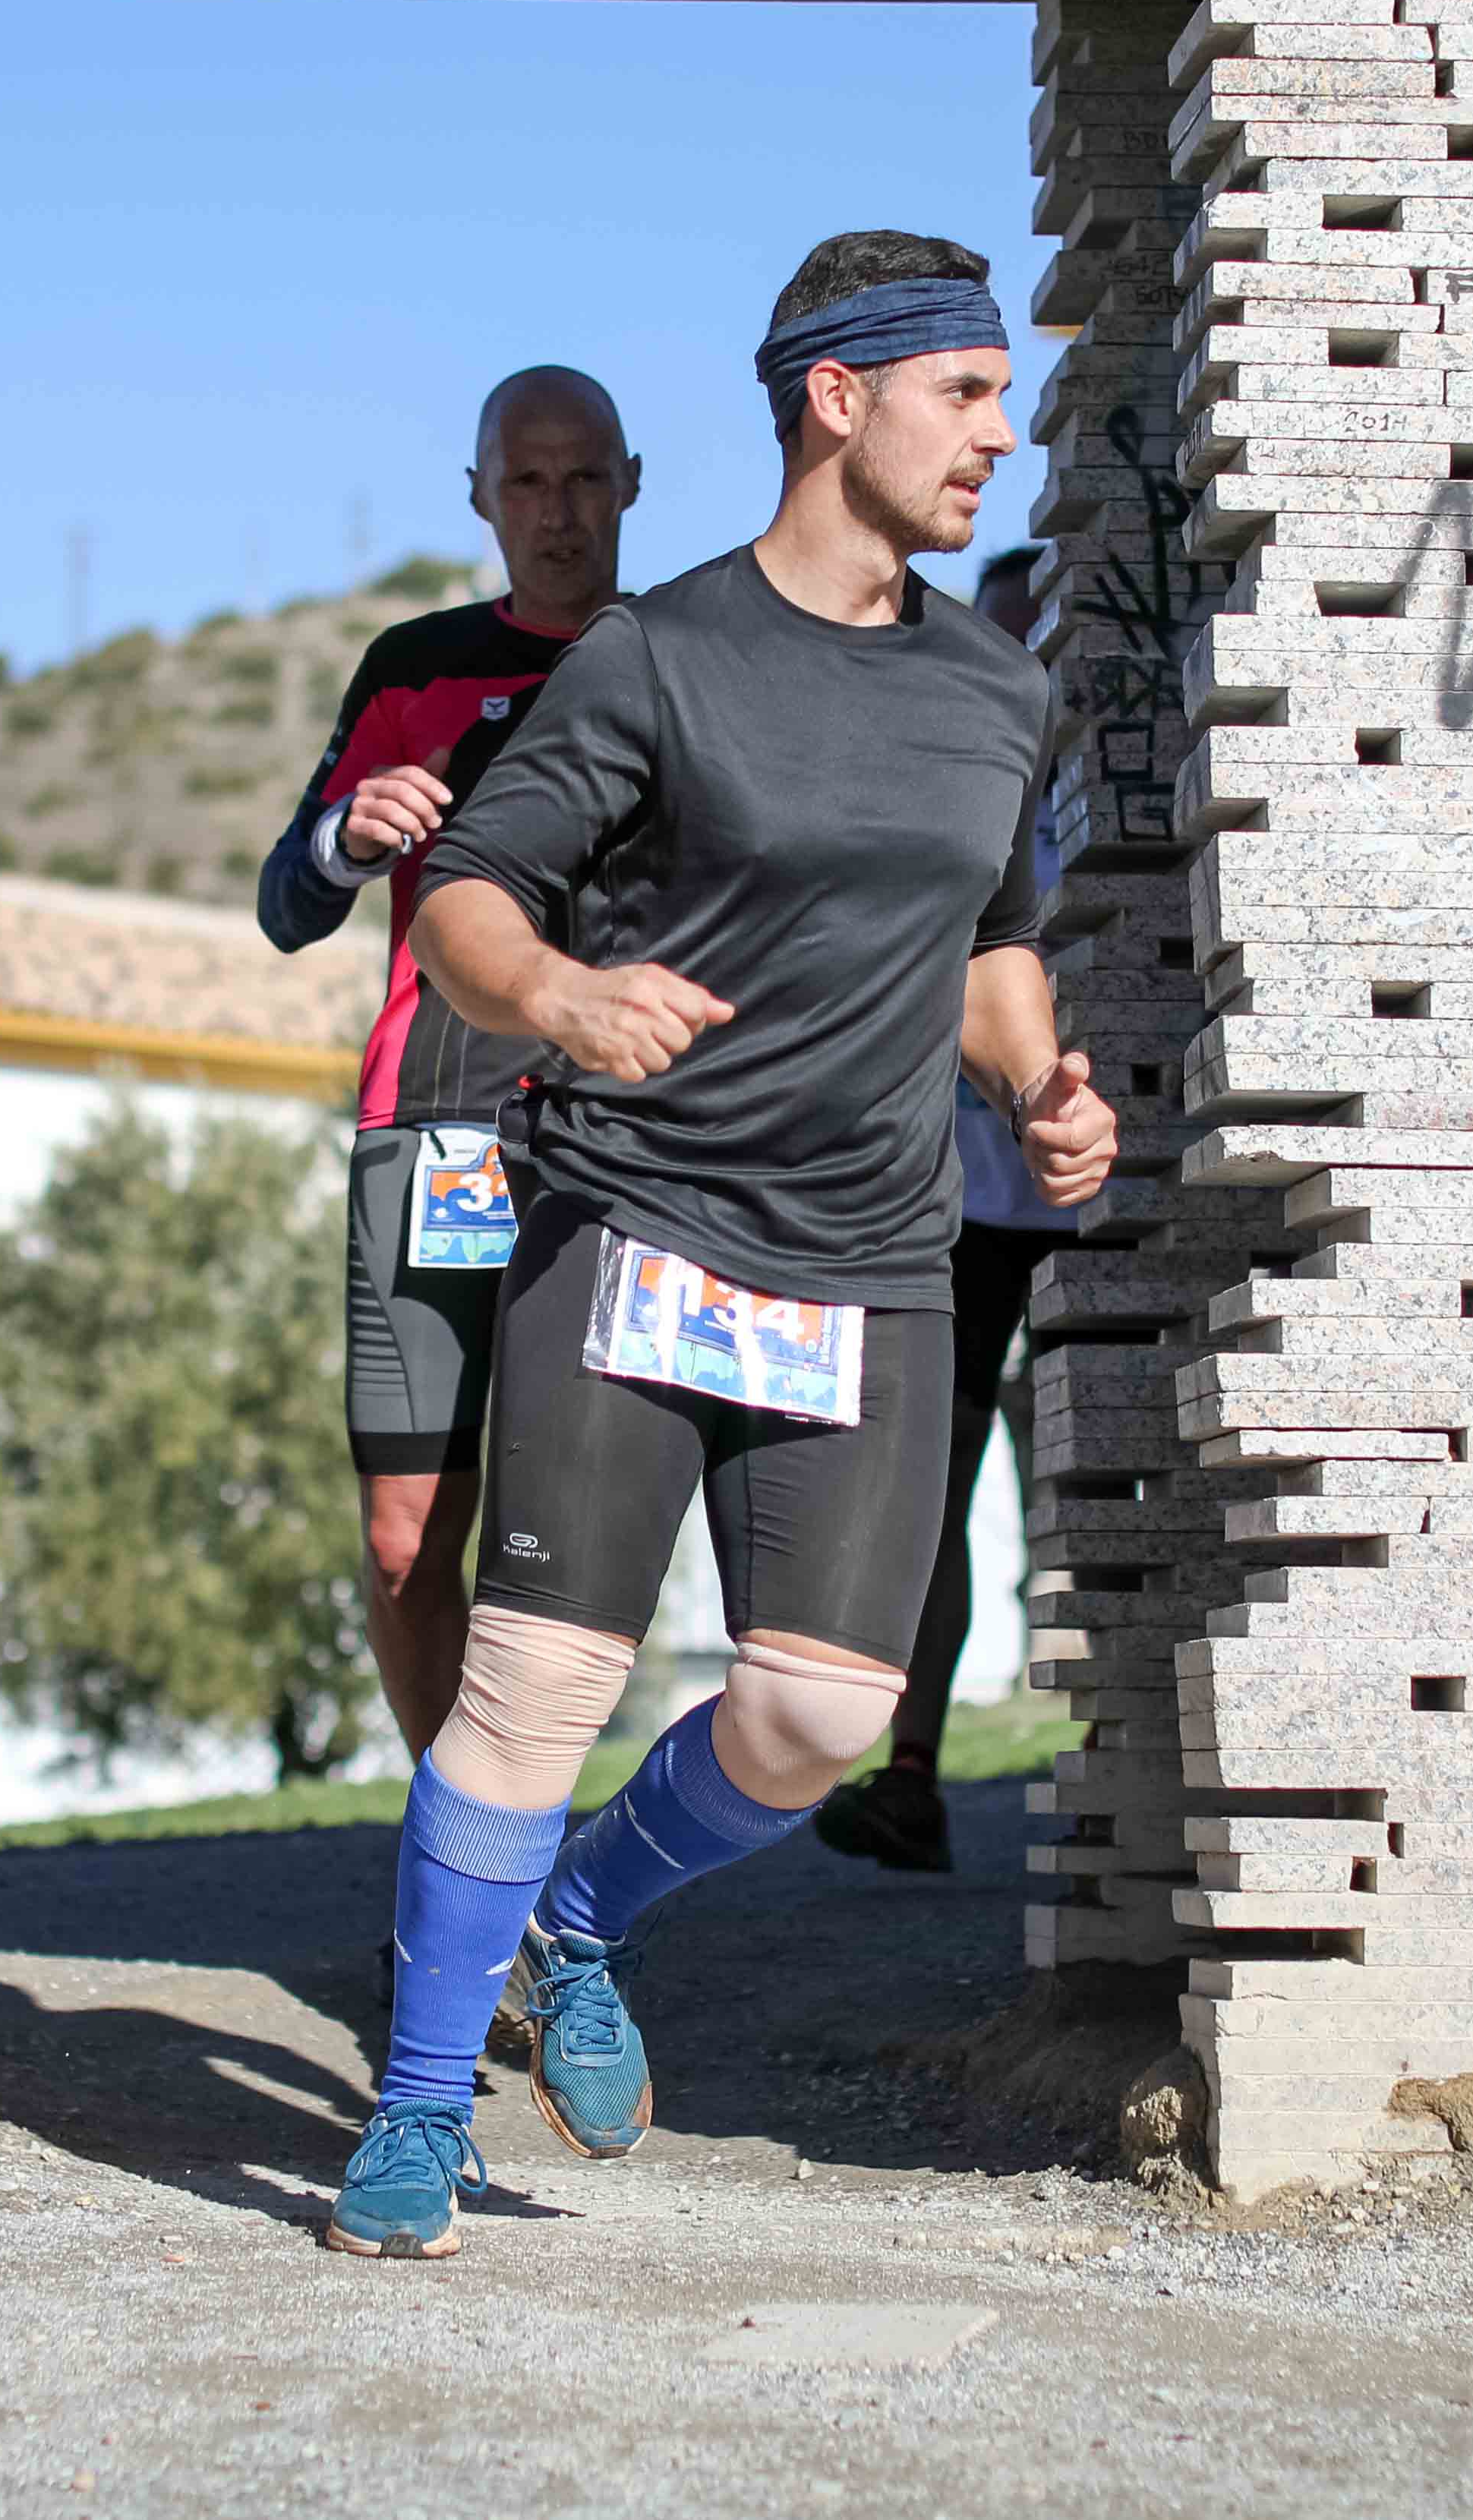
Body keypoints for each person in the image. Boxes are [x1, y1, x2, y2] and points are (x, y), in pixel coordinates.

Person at [322, 232, 1119, 2262]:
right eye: (964, 392)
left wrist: (1035, 1082)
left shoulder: (990, 685)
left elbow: (987, 944)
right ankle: (416, 2106)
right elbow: (471, 901)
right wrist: (564, 1003)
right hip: (636, 1213)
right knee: (531, 1680)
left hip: (864, 1250)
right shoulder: (656, 656)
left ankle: (579, 1916)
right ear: (835, 397)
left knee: (817, 1719)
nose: (994, 435)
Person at [257, 366, 638, 1759]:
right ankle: (456, 1856)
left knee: (576, 1542)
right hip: (436, 1130)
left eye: (584, 477)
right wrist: (346, 839)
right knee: (409, 1537)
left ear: (633, 484)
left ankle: (523, 1860)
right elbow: (284, 908)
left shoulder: (689, 654)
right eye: (525, 481)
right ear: (480, 496)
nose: (557, 511)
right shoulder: (411, 670)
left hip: (642, 1140)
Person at [812, 544, 1075, 1876]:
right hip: (961, 1206)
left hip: (1096, 1203)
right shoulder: (947, 785)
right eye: (1003, 643)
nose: (1018, 674)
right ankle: (910, 1771)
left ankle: (1100, 1763)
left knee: (1088, 1494)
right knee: (931, 1479)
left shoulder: (1114, 808)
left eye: (1040, 644)